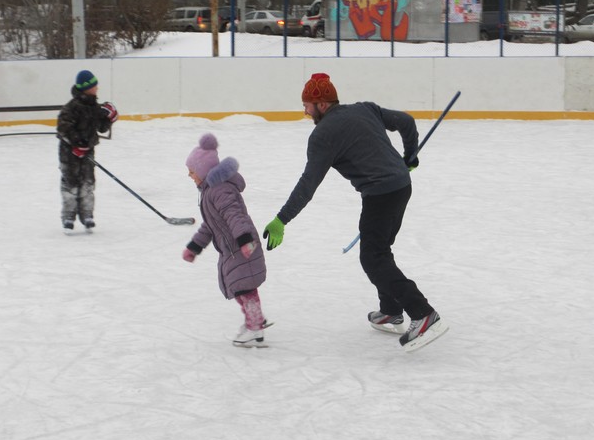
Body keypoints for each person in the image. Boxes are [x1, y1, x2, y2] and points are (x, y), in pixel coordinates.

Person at [261, 73, 447, 352]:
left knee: (373, 258)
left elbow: (308, 184)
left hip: (381, 195)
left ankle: (422, 314)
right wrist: (409, 157)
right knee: (380, 251)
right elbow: (406, 122)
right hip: (400, 187)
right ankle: (391, 311)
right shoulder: (365, 108)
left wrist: (281, 220)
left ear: (322, 104)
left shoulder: (323, 135)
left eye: (307, 105)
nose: (304, 111)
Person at [182, 133, 271, 348]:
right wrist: (195, 246)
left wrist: (244, 239)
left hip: (240, 247)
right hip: (233, 248)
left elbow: (234, 214)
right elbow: (211, 224)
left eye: (192, 171)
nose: (190, 175)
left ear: (203, 171)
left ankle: (254, 326)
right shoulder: (210, 191)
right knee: (242, 287)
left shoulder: (219, 191)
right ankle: (255, 320)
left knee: (243, 288)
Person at [56, 70, 118, 232]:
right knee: (71, 184)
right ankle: (68, 216)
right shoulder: (71, 107)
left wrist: (110, 118)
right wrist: (76, 144)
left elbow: (101, 128)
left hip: (87, 152)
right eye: (93, 85)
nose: (97, 87)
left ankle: (87, 215)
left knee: (87, 183)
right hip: (69, 153)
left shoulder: (95, 107)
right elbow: (63, 128)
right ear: (86, 87)